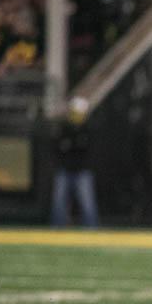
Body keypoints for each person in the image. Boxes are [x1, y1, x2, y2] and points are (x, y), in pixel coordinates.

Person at [50, 97, 99, 228]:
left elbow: (86, 149)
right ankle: (57, 229)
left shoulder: (88, 129)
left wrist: (71, 146)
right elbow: (58, 147)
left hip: (82, 170)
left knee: (87, 202)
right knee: (59, 202)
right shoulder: (64, 128)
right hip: (65, 169)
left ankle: (91, 229)